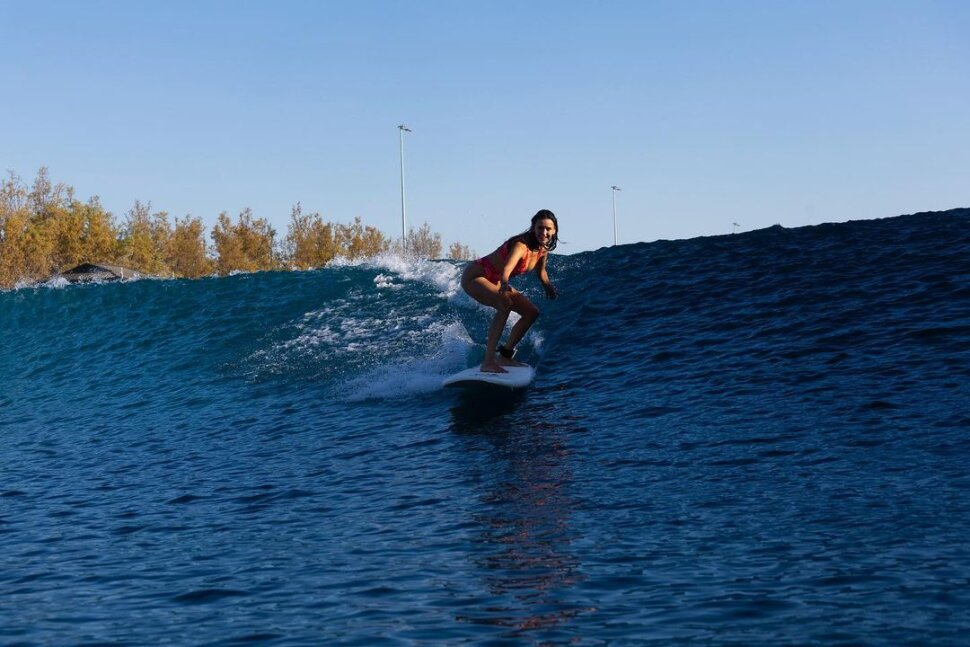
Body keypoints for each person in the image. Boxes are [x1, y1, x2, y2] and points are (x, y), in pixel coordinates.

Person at [460, 209, 559, 373]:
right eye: (540, 227)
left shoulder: (542, 249)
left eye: (548, 229)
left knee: (531, 312)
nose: (544, 232)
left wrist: (549, 288)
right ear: (533, 227)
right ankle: (488, 362)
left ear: (554, 230)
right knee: (504, 303)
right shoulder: (521, 246)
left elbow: (541, 272)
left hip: (495, 280)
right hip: (475, 276)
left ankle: (505, 355)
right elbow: (506, 269)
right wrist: (505, 283)